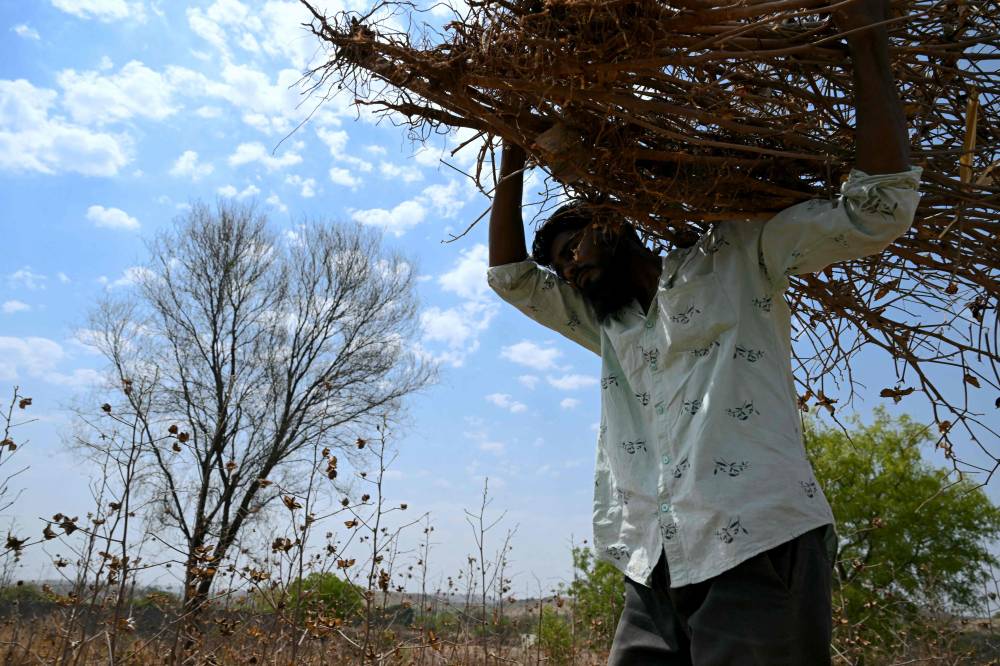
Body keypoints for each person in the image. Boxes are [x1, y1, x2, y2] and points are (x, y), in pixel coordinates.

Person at [485, 1, 922, 664]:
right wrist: (511, 138)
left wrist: (866, 44)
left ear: (616, 223)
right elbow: (512, 278)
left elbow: (879, 206)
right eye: (561, 263)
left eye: (574, 245)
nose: (568, 265)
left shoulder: (737, 257)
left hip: (758, 543)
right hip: (653, 562)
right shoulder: (607, 328)